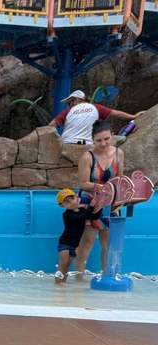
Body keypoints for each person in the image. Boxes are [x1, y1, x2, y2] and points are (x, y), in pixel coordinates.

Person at [74, 120, 124, 278]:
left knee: (107, 244)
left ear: (112, 136)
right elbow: (83, 183)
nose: (103, 143)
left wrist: (118, 200)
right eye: (99, 140)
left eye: (107, 139)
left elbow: (120, 179)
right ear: (92, 140)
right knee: (87, 242)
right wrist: (101, 188)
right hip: (91, 202)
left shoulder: (118, 153)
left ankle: (107, 276)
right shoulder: (87, 157)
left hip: (110, 203)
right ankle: (78, 278)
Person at [48, 90, 141, 145]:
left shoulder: (67, 112)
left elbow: (51, 126)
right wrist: (133, 116)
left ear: (77, 100)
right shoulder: (96, 107)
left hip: (66, 144)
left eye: (70, 102)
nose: (69, 105)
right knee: (121, 139)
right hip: (87, 145)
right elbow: (115, 113)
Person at [55, 188, 88, 285]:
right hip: (65, 243)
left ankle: (63, 283)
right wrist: (85, 207)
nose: (71, 202)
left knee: (67, 266)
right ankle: (57, 283)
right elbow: (78, 217)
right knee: (62, 265)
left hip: (74, 245)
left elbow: (93, 215)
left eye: (72, 199)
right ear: (62, 206)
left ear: (77, 198)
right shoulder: (66, 215)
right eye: (67, 202)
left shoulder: (82, 211)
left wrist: (94, 205)